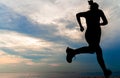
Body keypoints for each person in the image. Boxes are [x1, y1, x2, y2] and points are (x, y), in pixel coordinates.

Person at [66, 1, 112, 78]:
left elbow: (105, 22)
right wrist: (81, 25)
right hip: (92, 33)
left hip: (95, 34)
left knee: (95, 50)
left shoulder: (91, 12)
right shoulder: (97, 12)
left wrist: (81, 26)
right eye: (95, 8)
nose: (96, 9)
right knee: (96, 50)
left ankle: (73, 52)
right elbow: (105, 22)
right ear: (94, 7)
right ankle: (105, 72)